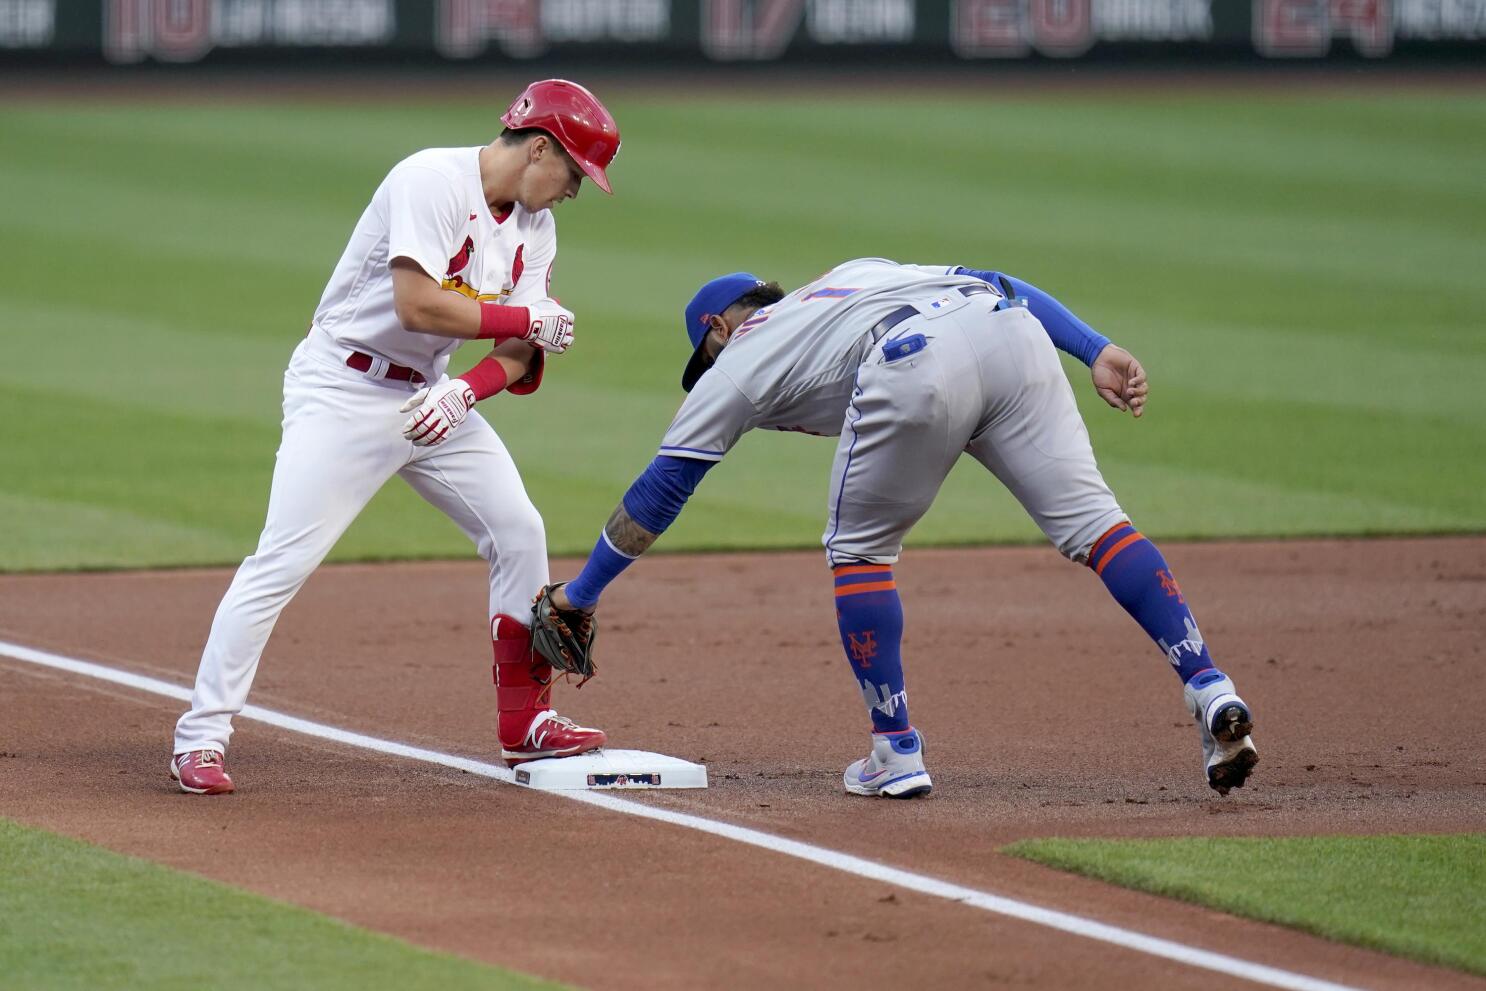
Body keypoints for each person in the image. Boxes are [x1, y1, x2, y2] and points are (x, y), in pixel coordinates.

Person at [546, 257, 1258, 799]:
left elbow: (664, 485)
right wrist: (1093, 348)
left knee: (859, 550)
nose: (706, 373)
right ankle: (1208, 682)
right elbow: (991, 277)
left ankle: (895, 750)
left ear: (717, 331)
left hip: (916, 359)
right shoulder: (851, 278)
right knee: (1100, 526)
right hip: (1014, 333)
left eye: (702, 360)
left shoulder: (739, 359)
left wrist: (582, 591)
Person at [170, 80, 620, 795]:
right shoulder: (430, 179)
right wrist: (522, 324)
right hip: (341, 391)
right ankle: (201, 736)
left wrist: (465, 390)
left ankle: (526, 724)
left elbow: (522, 354)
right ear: (540, 148)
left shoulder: (536, 228)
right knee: (281, 560)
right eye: (574, 174)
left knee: (519, 529)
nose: (574, 192)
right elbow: (417, 304)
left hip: (429, 396)